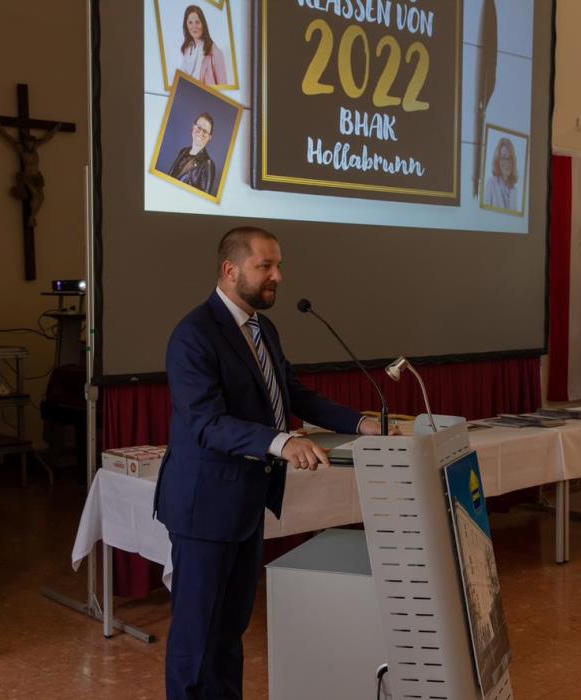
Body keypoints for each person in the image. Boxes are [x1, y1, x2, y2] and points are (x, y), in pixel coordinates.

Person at [155, 227, 385, 699]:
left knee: (229, 630)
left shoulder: (262, 329)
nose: (278, 276)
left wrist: (360, 422)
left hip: (245, 502)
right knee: (197, 639)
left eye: (278, 266)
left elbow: (292, 393)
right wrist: (280, 443)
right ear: (230, 270)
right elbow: (206, 424)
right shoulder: (194, 335)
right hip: (205, 507)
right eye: (266, 266)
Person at [167, 112, 217, 195]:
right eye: (199, 127)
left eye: (205, 131)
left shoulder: (208, 165)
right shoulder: (183, 151)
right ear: (193, 127)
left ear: (210, 137)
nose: (201, 133)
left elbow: (202, 199)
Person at [179, 4, 228, 85]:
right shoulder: (186, 50)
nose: (194, 26)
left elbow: (223, 86)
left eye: (197, 22)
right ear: (186, 25)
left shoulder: (215, 53)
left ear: (203, 24)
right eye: (190, 22)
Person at [484, 137, 520, 212]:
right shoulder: (491, 184)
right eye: (503, 158)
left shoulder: (515, 190)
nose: (507, 163)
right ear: (497, 161)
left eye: (510, 158)